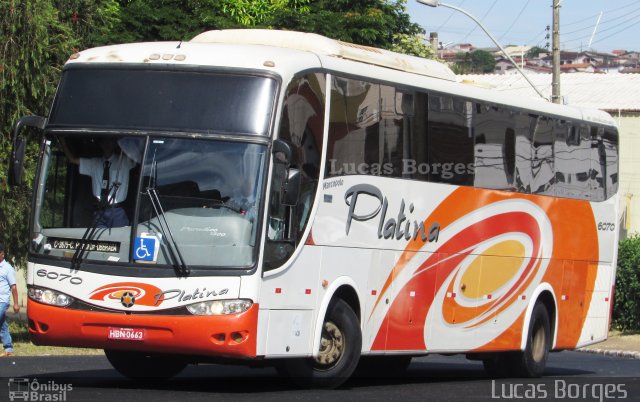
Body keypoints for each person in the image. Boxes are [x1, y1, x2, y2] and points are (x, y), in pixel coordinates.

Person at [61, 138, 136, 228]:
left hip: (117, 211)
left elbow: (137, 156)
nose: (107, 145)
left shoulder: (124, 161)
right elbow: (72, 159)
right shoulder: (94, 163)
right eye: (104, 142)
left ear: (115, 144)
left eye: (110, 142)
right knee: (98, 240)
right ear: (100, 144)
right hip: (99, 211)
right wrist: (62, 141)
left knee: (119, 239)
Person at [0, 243, 19, 357]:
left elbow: (14, 287)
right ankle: (8, 348)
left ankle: (8, 348)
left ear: (2, 254)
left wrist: (16, 304)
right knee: (2, 324)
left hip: (2, 301)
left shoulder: (8, 268)